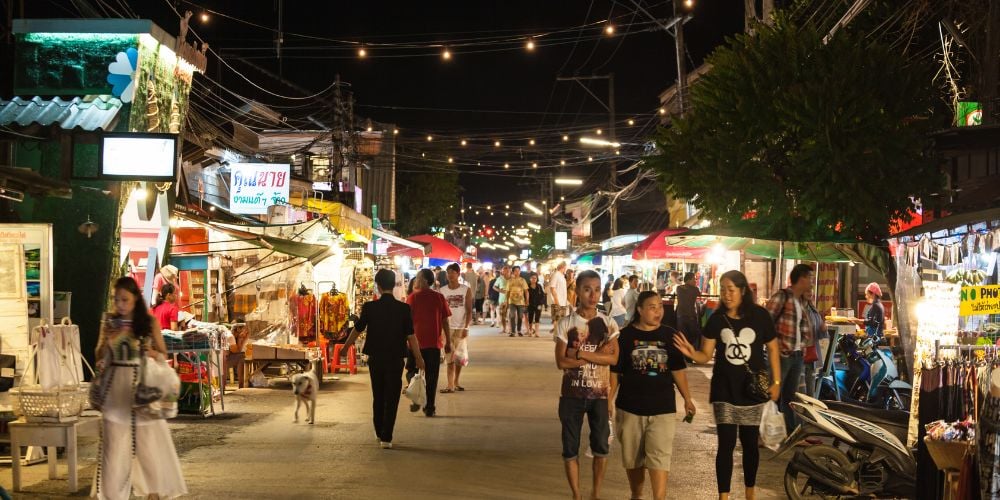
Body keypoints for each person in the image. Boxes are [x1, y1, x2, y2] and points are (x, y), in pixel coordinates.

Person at [673, 270, 781, 500]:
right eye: (723, 290)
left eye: (731, 290)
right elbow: (705, 355)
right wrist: (691, 353)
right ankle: (724, 496)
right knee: (726, 444)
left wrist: (777, 382)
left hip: (752, 390)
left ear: (743, 291)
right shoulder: (716, 319)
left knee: (750, 444)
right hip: (724, 389)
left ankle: (750, 493)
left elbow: (773, 348)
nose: (726, 294)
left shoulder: (760, 316)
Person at [92, 277, 186, 499]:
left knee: (146, 445)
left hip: (141, 386)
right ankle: (110, 494)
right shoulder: (108, 321)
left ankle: (153, 492)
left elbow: (163, 354)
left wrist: (148, 352)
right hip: (114, 388)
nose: (120, 305)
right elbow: (98, 352)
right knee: (112, 447)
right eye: (116, 300)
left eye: (124, 299)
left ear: (135, 298)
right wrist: (105, 347)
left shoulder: (148, 322)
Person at [610, 291, 695, 500]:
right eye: (652, 307)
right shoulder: (625, 336)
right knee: (633, 459)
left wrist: (687, 398)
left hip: (662, 408)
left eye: (660, 306)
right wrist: (608, 400)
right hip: (630, 407)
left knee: (659, 457)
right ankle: (636, 494)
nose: (658, 311)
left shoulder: (670, 335)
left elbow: (677, 370)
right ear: (639, 310)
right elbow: (615, 372)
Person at [554, 269, 620, 500]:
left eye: (597, 289)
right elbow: (561, 362)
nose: (593, 295)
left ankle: (595, 493)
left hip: (600, 395)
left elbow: (613, 359)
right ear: (578, 291)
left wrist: (580, 354)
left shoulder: (608, 323)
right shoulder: (566, 323)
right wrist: (595, 355)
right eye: (587, 289)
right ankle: (576, 494)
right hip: (571, 395)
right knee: (570, 448)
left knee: (601, 447)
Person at [343, 269, 426, 448]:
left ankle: (379, 430)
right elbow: (411, 336)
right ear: (392, 285)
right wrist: (419, 358)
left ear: (378, 286)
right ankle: (387, 437)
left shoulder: (369, 307)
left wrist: (345, 347)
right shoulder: (404, 309)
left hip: (376, 359)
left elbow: (357, 329)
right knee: (392, 396)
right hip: (396, 359)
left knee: (378, 395)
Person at [765, 264, 815, 432]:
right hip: (782, 356)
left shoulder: (801, 301)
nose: (811, 282)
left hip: (796, 356)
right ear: (801, 279)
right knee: (773, 394)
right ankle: (765, 433)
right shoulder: (782, 296)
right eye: (809, 278)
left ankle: (790, 433)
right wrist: (775, 347)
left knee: (789, 398)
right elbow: (766, 321)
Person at [406, 268, 452, 417]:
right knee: (432, 377)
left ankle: (416, 394)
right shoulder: (439, 297)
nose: (416, 280)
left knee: (412, 373)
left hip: (416, 345)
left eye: (418, 278)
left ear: (425, 281)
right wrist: (448, 341)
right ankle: (429, 406)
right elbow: (445, 321)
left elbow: (405, 323)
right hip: (433, 344)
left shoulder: (413, 298)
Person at [440, 263, 473, 393]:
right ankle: (450, 385)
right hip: (447, 328)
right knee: (449, 356)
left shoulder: (465, 290)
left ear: (458, 274)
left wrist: (466, 328)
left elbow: (469, 310)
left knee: (459, 357)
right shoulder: (442, 291)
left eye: (453, 272)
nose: (450, 275)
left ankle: (456, 382)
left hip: (461, 328)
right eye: (448, 273)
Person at [675, 272, 703, 349]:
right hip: (691, 316)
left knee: (682, 337)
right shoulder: (695, 289)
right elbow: (700, 297)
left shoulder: (679, 288)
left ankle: (684, 356)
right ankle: (692, 354)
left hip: (680, 316)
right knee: (694, 336)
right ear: (689, 280)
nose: (695, 281)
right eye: (694, 279)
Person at [505, 265, 530, 337]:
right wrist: (507, 301)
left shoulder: (523, 280)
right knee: (512, 316)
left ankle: (519, 330)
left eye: (518, 271)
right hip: (511, 301)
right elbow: (507, 292)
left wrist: (527, 300)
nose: (517, 272)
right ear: (513, 272)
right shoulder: (509, 281)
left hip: (521, 301)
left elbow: (526, 291)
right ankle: (513, 331)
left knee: (520, 316)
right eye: (515, 271)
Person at [549, 262, 569, 331]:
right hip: (557, 301)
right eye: (565, 267)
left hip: (562, 301)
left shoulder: (562, 276)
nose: (566, 269)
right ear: (563, 267)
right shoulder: (556, 275)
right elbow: (552, 288)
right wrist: (556, 300)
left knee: (561, 319)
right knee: (557, 318)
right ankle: (557, 334)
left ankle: (557, 332)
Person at [527, 272, 547, 337]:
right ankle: (530, 331)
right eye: (532, 278)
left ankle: (537, 332)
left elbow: (543, 295)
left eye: (535, 278)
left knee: (537, 318)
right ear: (530, 279)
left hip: (538, 304)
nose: (534, 279)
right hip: (530, 304)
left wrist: (541, 303)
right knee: (530, 318)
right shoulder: (527, 286)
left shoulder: (539, 286)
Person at [494, 265, 510, 334]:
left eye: (506, 270)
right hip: (502, 299)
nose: (504, 272)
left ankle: (511, 329)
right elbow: (494, 287)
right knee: (502, 314)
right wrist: (500, 290)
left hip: (511, 299)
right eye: (503, 270)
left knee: (511, 315)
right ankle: (504, 329)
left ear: (509, 271)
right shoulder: (499, 278)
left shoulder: (512, 278)